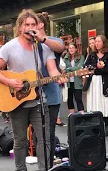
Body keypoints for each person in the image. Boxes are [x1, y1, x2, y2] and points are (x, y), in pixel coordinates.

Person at [0, 9, 66, 171]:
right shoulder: (10, 47)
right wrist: (9, 81)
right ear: (20, 27)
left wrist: (59, 77)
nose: (30, 27)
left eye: (33, 24)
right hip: (17, 101)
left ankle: (44, 169)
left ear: (38, 27)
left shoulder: (43, 48)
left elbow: (52, 70)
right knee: (20, 140)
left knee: (44, 139)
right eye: (27, 24)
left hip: (39, 101)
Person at [37, 12, 65, 168]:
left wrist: (42, 39)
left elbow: (60, 47)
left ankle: (48, 163)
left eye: (33, 23)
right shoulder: (28, 43)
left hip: (51, 94)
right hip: (31, 96)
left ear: (41, 25)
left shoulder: (53, 41)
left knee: (49, 133)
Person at [85, 35, 108, 136]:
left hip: (104, 81)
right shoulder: (92, 54)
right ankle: (95, 125)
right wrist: (95, 67)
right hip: (93, 82)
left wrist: (97, 70)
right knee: (94, 102)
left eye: (99, 41)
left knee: (105, 102)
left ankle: (107, 125)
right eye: (95, 41)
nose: (97, 44)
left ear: (104, 43)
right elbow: (86, 66)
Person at [64, 43, 85, 114]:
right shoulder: (66, 57)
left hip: (77, 80)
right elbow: (63, 69)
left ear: (76, 49)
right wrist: (71, 70)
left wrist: (69, 69)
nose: (71, 49)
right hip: (68, 81)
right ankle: (72, 114)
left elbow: (80, 67)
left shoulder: (81, 57)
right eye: (70, 48)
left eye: (73, 48)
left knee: (78, 98)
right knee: (69, 99)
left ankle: (81, 113)